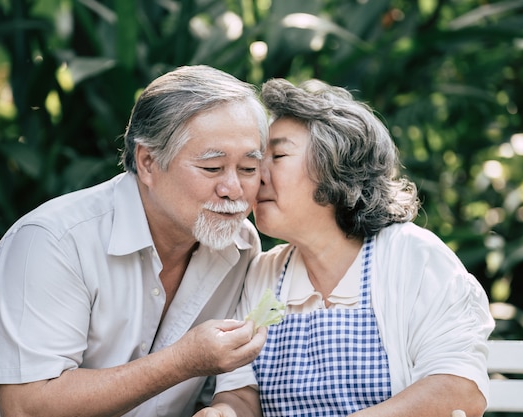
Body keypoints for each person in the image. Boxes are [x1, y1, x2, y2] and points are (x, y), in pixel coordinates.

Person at [0, 65, 270, 417]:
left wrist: (225, 408)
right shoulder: (55, 241)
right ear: (147, 162)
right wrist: (182, 361)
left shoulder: (239, 246)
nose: (233, 190)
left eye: (248, 169)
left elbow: (227, 385)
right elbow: (28, 408)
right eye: (212, 168)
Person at [196, 78, 495, 417]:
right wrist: (225, 412)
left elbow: (458, 390)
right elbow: (240, 392)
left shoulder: (415, 257)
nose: (254, 174)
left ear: (335, 167)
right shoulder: (263, 273)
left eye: (277, 155)